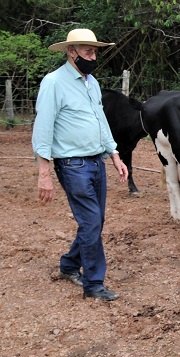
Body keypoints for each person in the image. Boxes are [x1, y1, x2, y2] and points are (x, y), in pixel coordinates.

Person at [32, 28, 129, 301]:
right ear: (71, 52)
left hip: (96, 162)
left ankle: (69, 265)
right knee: (90, 222)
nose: (93, 56)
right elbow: (43, 128)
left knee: (95, 221)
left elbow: (100, 121)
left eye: (95, 51)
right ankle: (94, 283)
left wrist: (115, 154)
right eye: (88, 51)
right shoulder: (53, 83)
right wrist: (44, 173)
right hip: (72, 165)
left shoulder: (92, 83)